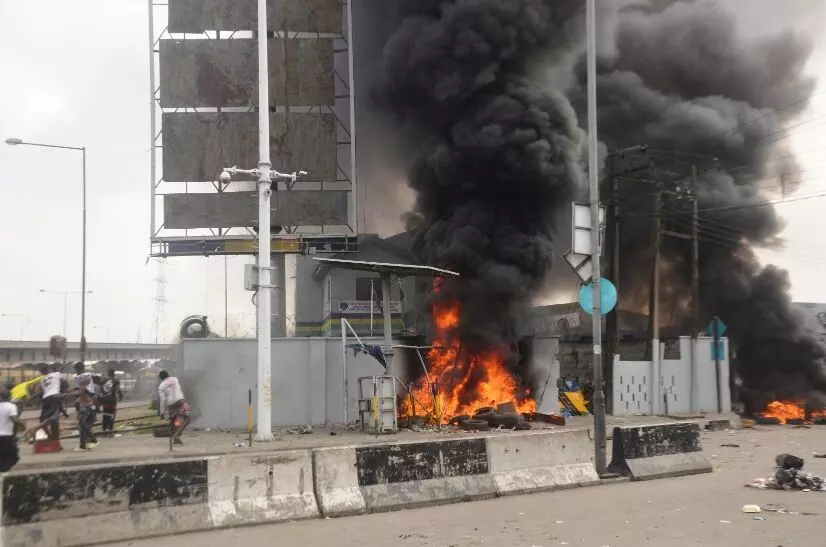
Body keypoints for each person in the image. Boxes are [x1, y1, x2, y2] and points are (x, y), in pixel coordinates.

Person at [158, 370, 190, 444]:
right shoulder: (175, 379)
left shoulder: (161, 386)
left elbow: (163, 400)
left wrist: (162, 412)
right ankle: (176, 435)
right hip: (180, 401)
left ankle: (175, 438)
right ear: (168, 375)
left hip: (171, 404)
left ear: (161, 378)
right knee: (187, 419)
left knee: (173, 420)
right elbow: (179, 389)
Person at [73, 362, 99, 447]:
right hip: (89, 404)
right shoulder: (87, 376)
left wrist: (67, 394)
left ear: (78, 369)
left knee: (82, 426)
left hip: (87, 405)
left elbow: (80, 392)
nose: (75, 371)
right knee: (84, 425)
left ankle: (85, 443)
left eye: (75, 369)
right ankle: (89, 440)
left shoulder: (83, 377)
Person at [38, 364, 64, 440]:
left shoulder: (42, 380)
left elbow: (43, 392)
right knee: (54, 419)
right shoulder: (57, 374)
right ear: (49, 368)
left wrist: (31, 398)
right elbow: (65, 384)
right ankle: (55, 437)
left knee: (42, 418)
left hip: (46, 399)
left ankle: (49, 435)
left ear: (42, 372)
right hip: (55, 397)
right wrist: (62, 391)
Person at [0, 389, 24, 472]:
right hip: (6, 436)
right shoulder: (11, 406)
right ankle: (3, 471)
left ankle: (3, 471)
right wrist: (22, 424)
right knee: (14, 457)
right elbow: (14, 419)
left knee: (2, 458)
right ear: (10, 397)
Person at [98, 369, 123, 437]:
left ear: (108, 374)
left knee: (105, 415)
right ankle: (110, 431)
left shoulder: (103, 381)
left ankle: (104, 431)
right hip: (112, 401)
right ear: (114, 374)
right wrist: (121, 396)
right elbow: (118, 390)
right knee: (112, 415)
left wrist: (100, 400)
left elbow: (100, 391)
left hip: (105, 401)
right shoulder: (115, 381)